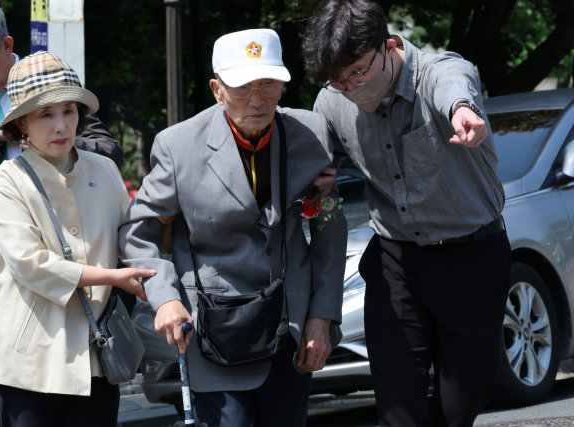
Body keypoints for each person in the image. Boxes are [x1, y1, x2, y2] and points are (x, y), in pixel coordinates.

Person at [120, 29, 347, 427]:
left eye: (268, 85)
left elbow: (329, 224)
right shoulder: (179, 146)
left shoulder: (310, 133)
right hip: (214, 327)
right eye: (242, 88)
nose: (257, 100)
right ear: (217, 89)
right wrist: (165, 297)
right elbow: (138, 231)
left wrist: (322, 317)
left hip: (290, 324)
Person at [302, 1, 512, 426]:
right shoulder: (332, 102)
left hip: (472, 255)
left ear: (390, 46)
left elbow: (454, 84)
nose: (352, 87)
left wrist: (462, 112)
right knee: (398, 407)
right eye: (338, 80)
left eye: (359, 72)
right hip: (396, 261)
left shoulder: (438, 72)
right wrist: (314, 182)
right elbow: (312, 166)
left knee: (458, 407)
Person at [0, 2, 123, 426]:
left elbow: (106, 148)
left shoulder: (52, 85)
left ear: (7, 43)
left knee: (37, 377)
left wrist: (43, 135)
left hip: (46, 251)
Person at [0, 51, 152, 427]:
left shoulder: (105, 169)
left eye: (69, 111)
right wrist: (112, 278)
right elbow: (30, 264)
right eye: (45, 114)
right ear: (22, 123)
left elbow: (132, 238)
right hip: (29, 362)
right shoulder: (8, 180)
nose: (61, 125)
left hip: (97, 357)